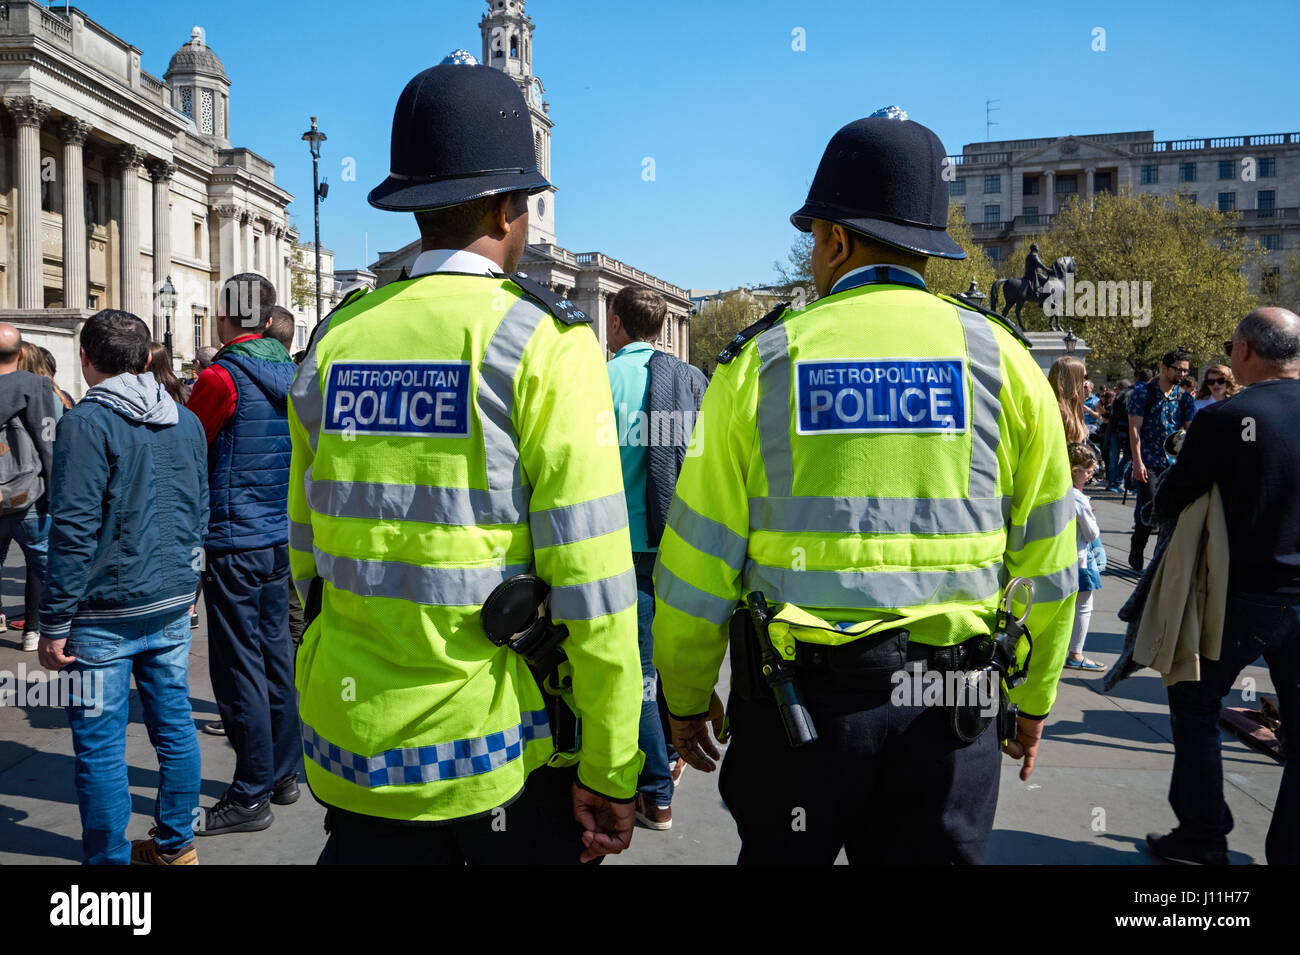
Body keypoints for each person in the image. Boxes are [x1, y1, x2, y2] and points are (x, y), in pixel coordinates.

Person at [652, 110, 1077, 864]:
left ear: (837, 241)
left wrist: (684, 697)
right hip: (953, 709)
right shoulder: (1005, 361)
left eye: (816, 239)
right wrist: (1034, 699)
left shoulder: (763, 362)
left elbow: (695, 562)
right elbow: (1050, 561)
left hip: (799, 714)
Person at [288, 59, 643, 865]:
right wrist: (614, 764)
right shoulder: (542, 343)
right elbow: (595, 584)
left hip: (354, 748)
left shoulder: (338, 339)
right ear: (512, 205)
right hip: (494, 757)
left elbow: (305, 554)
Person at [36, 309, 208, 865]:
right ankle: (176, 846)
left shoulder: (86, 422)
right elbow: (198, 511)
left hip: (104, 611)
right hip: (169, 601)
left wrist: (54, 622)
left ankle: (108, 864)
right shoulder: (185, 420)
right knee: (175, 727)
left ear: (86, 360)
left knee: (102, 747)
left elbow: (74, 528)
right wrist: (189, 585)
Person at [1149, 307, 1300, 865]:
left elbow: (1170, 500)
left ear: (1244, 352)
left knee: (1193, 701)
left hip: (1240, 595)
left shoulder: (1225, 419)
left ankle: (1202, 834)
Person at [187, 272, 301, 836]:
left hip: (233, 537)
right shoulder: (293, 373)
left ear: (228, 317)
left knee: (238, 668)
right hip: (279, 535)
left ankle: (250, 791)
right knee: (277, 654)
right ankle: (284, 773)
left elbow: (191, 447)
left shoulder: (221, 376)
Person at [605, 285, 705, 830]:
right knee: (670, 661)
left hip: (619, 547)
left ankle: (656, 792)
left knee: (641, 669)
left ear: (616, 323)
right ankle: (672, 748)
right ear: (663, 327)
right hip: (683, 547)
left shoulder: (599, 380)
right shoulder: (692, 381)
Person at [0, 324, 57, 652]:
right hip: (29, 494)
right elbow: (46, 441)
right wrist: (55, 490)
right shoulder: (34, 385)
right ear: (21, 353)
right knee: (46, 565)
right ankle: (37, 631)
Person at [262, 306, 307, 647]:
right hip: (297, 518)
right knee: (294, 610)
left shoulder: (236, 379)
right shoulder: (309, 385)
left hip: (256, 521)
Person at [1127, 350, 1195, 570]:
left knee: (1169, 512)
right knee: (1149, 506)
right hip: (1148, 460)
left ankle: (1158, 558)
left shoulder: (1183, 397)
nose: (1182, 373)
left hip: (1173, 464)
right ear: (1164, 368)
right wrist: (1137, 462)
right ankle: (1138, 545)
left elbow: (1189, 430)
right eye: (1178, 369)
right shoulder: (1143, 393)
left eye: (1185, 370)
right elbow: (1134, 429)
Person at [1066, 443, 1106, 671]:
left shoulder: (1059, 490)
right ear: (1075, 471)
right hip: (1080, 559)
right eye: (1088, 470)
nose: (1091, 474)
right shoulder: (1079, 499)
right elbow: (1092, 533)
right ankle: (1076, 653)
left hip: (1061, 558)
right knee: (1083, 606)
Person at [1048, 355, 1089, 444]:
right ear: (1071, 380)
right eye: (1084, 377)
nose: (1086, 383)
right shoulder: (1058, 412)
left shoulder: (1069, 409)